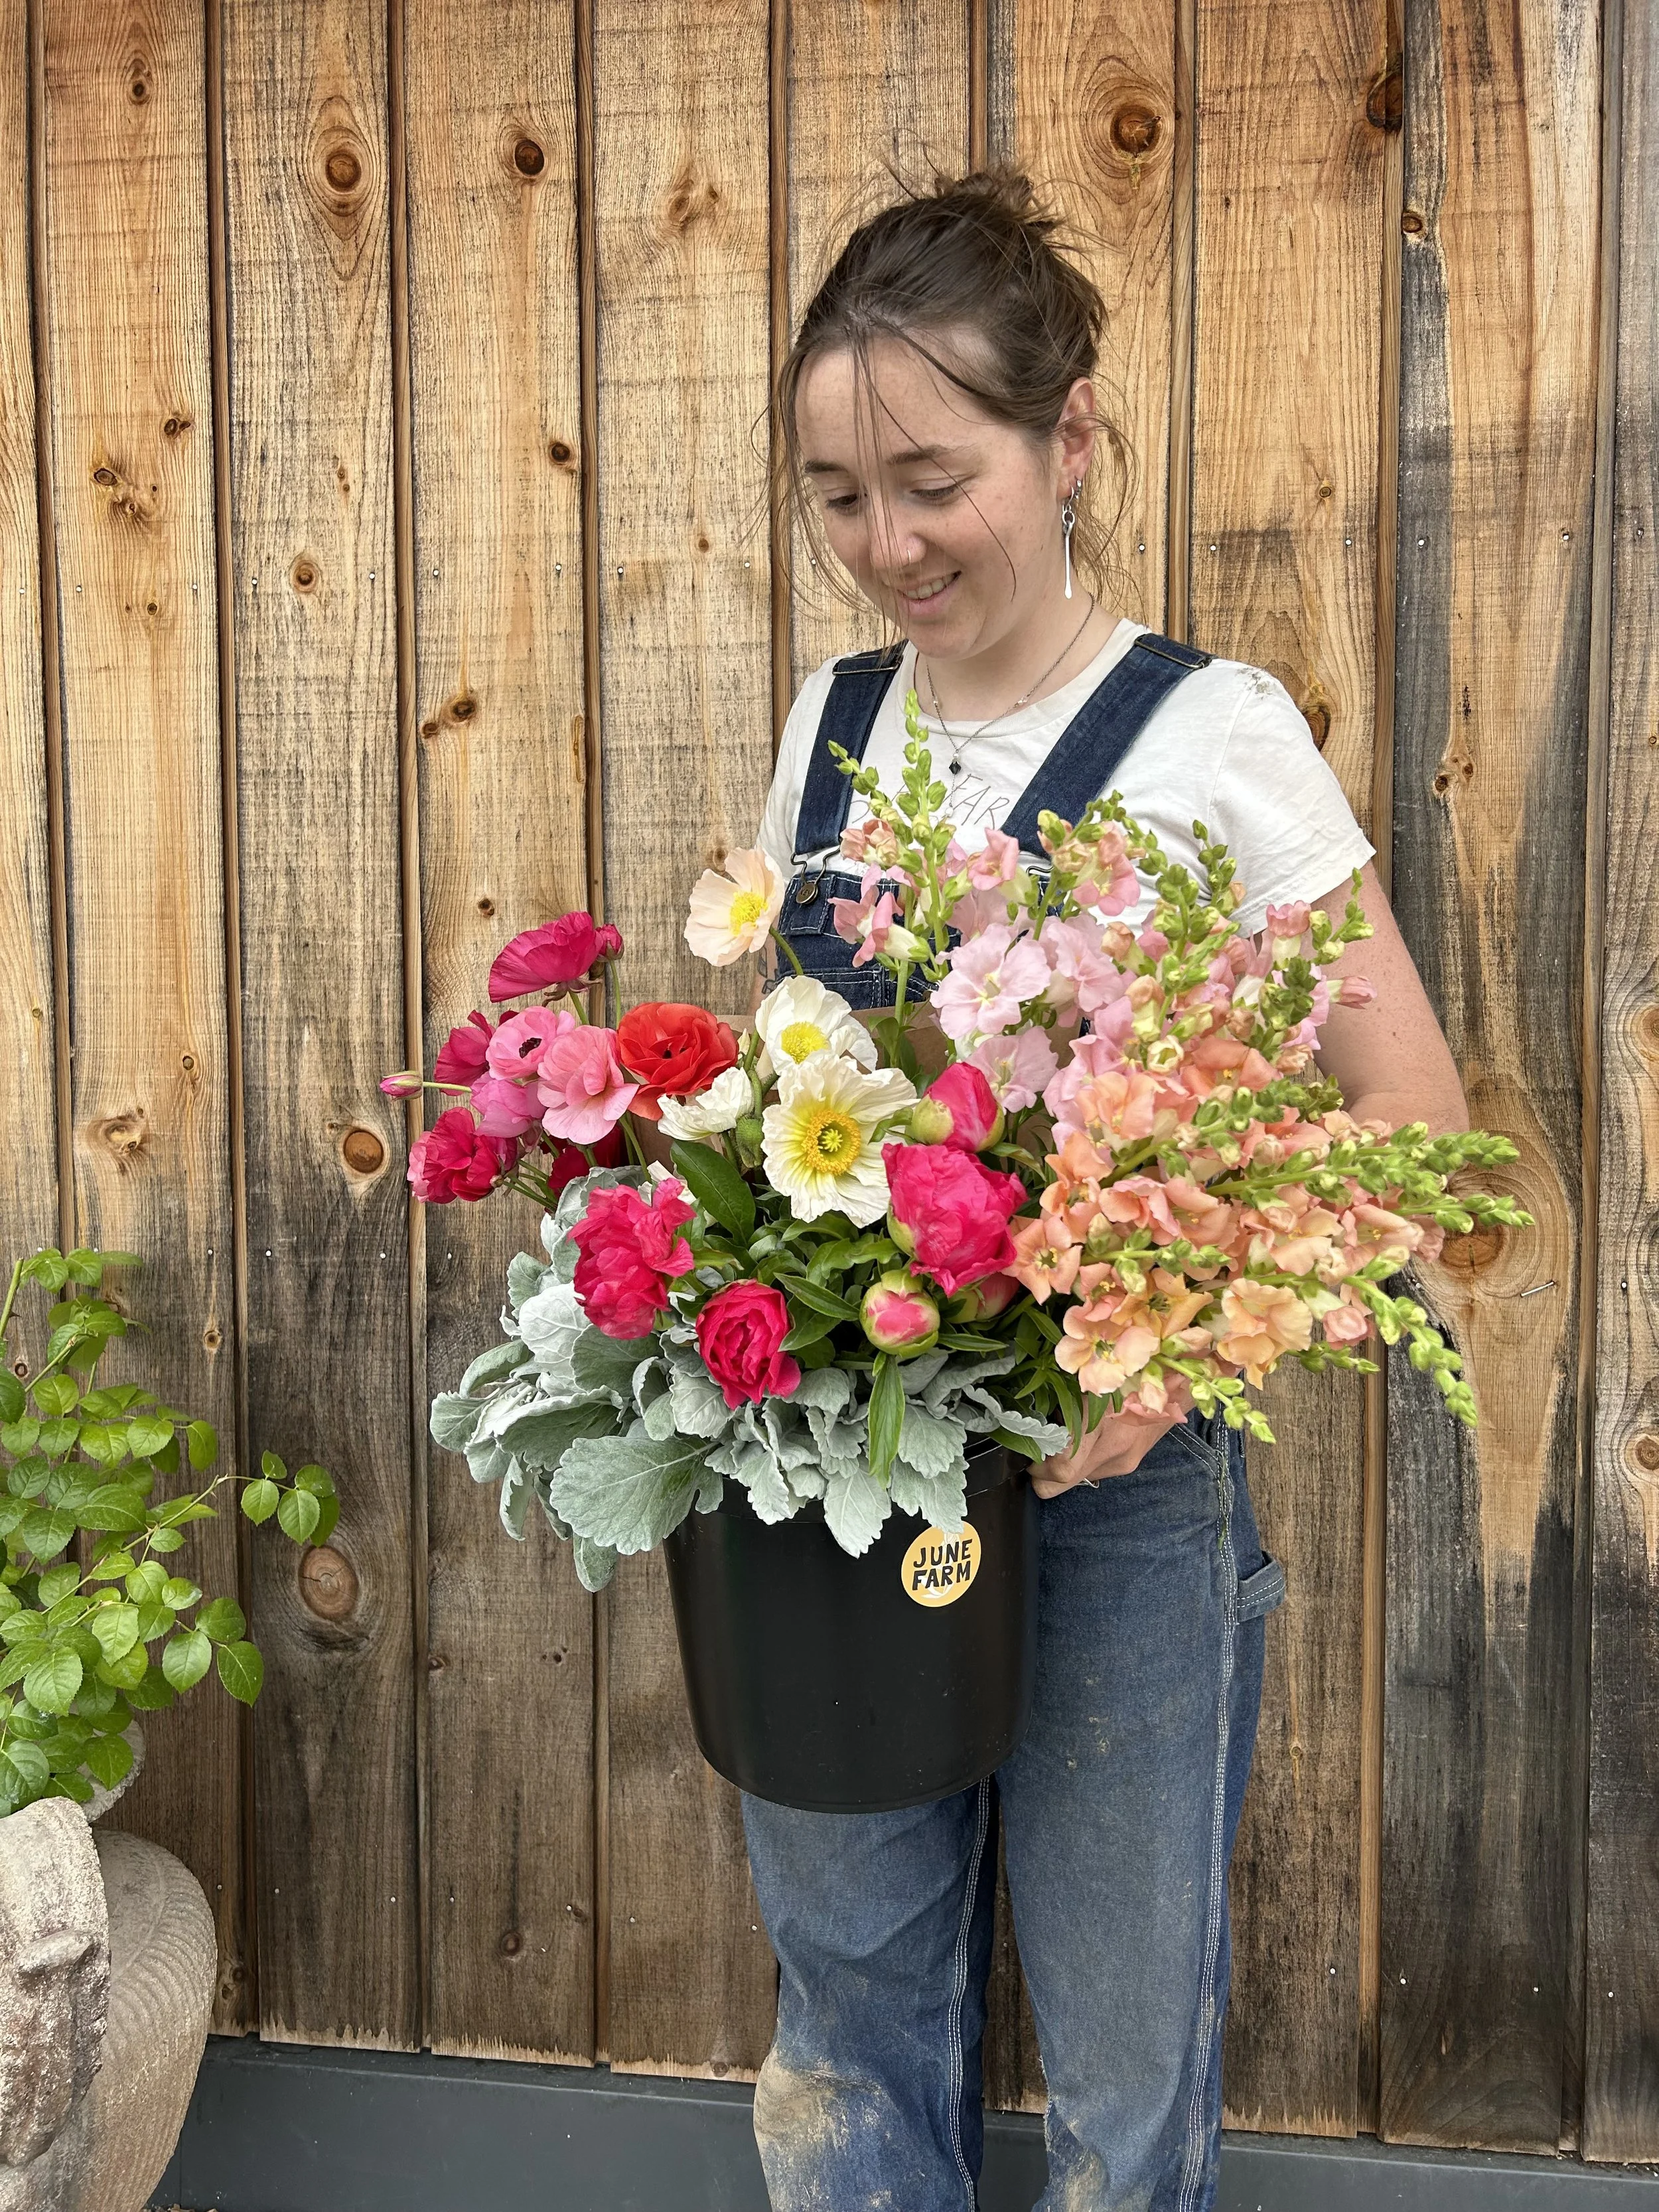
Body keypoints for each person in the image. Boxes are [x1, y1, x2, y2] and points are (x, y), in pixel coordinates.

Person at [739, 169, 1468, 2212]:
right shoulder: (833, 725)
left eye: (929, 478)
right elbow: (802, 1079)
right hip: (843, 1464)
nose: (885, 543)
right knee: (846, 2003)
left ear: (1068, 442)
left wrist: (1156, 1343)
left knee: (1128, 2037)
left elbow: (1411, 1138)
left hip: (1122, 1496)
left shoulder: (1214, 737)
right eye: (835, 491)